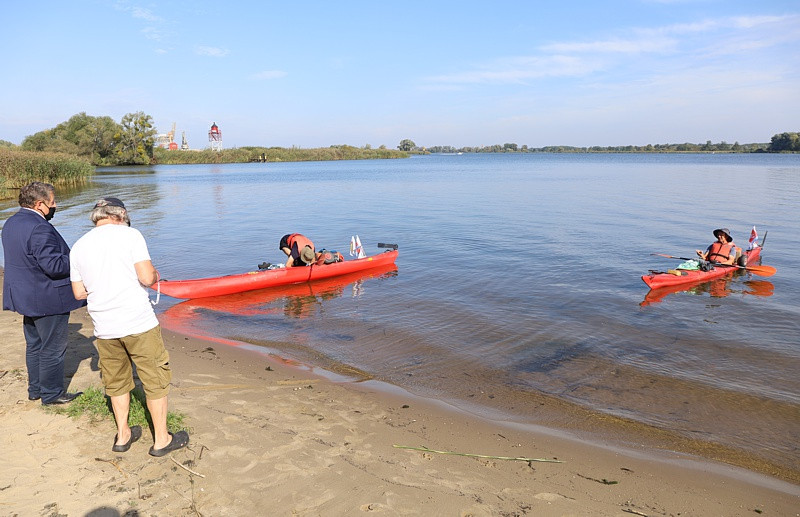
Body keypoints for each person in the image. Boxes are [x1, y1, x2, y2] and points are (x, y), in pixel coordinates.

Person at [70, 197, 189, 456]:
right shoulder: (131, 235)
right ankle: (161, 440)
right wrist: (156, 274)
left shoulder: (78, 246)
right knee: (154, 379)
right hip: (138, 322)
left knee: (116, 382)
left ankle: (123, 436)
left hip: (104, 326)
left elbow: (79, 292)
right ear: (121, 214)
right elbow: (146, 278)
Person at [2, 182, 85, 405]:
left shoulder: (11, 222)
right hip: (47, 298)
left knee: (35, 345)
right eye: (53, 202)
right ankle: (52, 394)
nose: (55, 205)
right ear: (40, 204)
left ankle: (35, 389)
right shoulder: (39, 227)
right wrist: (78, 258)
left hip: (25, 296)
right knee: (52, 349)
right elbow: (54, 266)